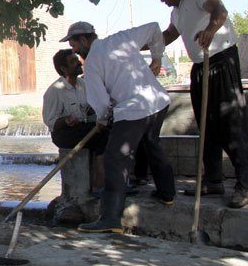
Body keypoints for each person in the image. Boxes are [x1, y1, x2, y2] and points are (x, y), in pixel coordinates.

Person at [143, 0, 248, 208]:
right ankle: (213, 180)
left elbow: (219, 11)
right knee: (206, 122)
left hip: (222, 59)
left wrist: (210, 31)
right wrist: (140, 45)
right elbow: (169, 35)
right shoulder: (176, 12)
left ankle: (246, 183)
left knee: (231, 121)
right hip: (200, 66)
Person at [62, 21, 176, 233]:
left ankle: (111, 218)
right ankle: (167, 193)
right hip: (158, 102)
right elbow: (153, 28)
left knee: (114, 158)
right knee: (152, 144)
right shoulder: (121, 38)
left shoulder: (93, 62)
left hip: (133, 109)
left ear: (85, 40)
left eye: (75, 46)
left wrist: (103, 119)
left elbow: (101, 103)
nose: (75, 52)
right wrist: (157, 57)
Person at [42, 49, 109, 196]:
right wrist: (66, 120)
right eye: (73, 61)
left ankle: (107, 182)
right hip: (64, 134)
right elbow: (50, 122)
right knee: (101, 136)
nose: (79, 62)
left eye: (77, 59)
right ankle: (99, 186)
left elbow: (89, 109)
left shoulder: (82, 84)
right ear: (64, 69)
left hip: (82, 127)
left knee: (110, 129)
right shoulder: (54, 91)